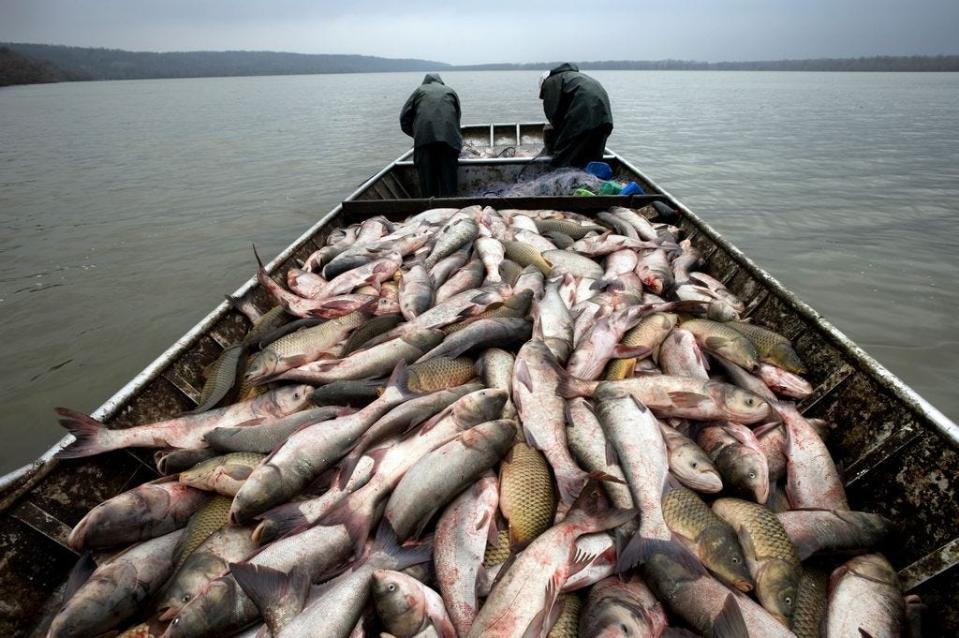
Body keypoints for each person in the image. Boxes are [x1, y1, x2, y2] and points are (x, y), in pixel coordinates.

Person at [538, 63, 613, 168]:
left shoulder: (551, 81)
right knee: (593, 160)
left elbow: (553, 111)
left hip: (583, 116)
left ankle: (561, 179)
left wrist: (557, 136)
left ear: (543, 84)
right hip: (605, 119)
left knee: (562, 156)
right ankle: (592, 180)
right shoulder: (574, 77)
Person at [400, 74, 463, 197]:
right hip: (449, 142)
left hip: (424, 142)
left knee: (427, 186)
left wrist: (417, 135)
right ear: (440, 82)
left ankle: (429, 207)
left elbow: (404, 119)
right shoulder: (450, 91)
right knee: (449, 186)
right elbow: (457, 119)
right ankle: (451, 207)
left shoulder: (419, 91)